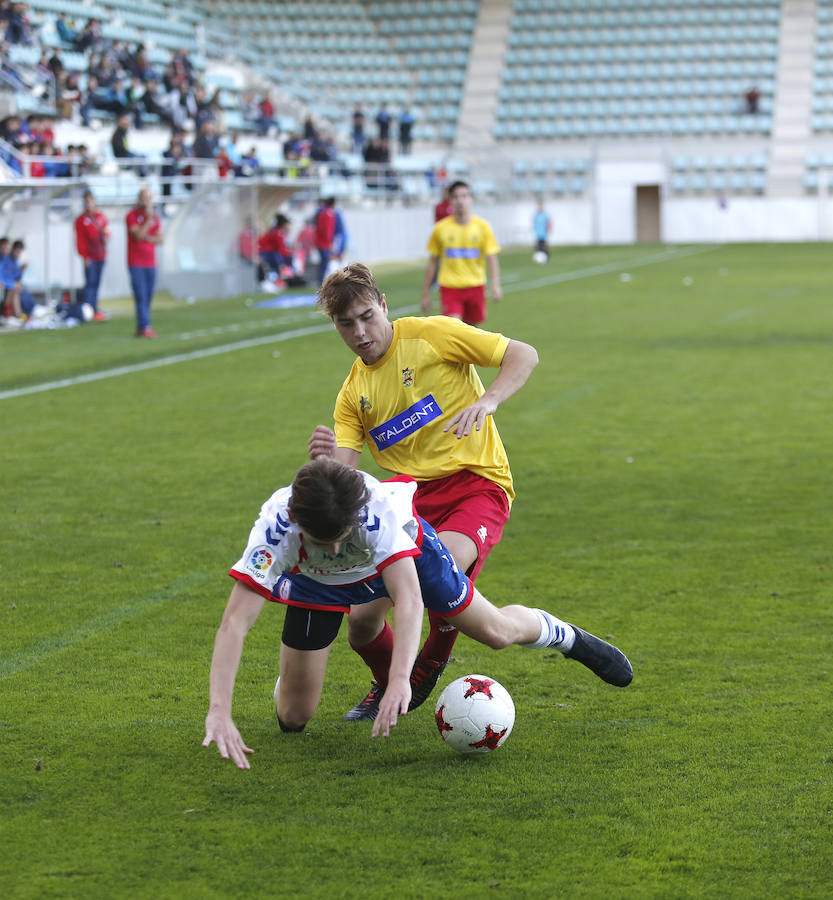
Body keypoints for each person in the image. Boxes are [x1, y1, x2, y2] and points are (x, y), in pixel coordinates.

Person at [202, 458, 633, 769]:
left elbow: (408, 599)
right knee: (293, 719)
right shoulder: (274, 530)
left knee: (496, 632)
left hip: (411, 557)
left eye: (341, 537)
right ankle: (295, 673)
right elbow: (234, 622)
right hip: (314, 584)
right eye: (321, 540)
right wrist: (219, 709)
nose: (333, 550)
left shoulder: (378, 515)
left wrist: (398, 682)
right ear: (296, 520)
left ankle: (562, 634)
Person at [307, 263, 539, 721]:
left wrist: (487, 401)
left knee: (439, 573)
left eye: (367, 316)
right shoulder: (353, 396)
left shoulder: (432, 335)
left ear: (384, 306)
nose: (360, 332)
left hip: (476, 483)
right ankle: (391, 680)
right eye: (346, 323)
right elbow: (347, 479)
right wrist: (324, 465)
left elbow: (524, 354)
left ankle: (428, 663)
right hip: (405, 497)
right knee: (361, 623)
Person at [421, 180, 502, 327]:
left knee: (472, 332)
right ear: (450, 201)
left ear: (471, 199)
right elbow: (433, 261)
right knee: (454, 329)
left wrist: (495, 284)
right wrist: (425, 292)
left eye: (464, 196)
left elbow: (491, 257)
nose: (460, 201)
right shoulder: (440, 229)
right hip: (450, 287)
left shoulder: (483, 227)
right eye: (456, 197)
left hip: (476, 286)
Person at [125, 186, 162, 338]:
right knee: (140, 295)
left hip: (151, 262)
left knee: (148, 296)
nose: (146, 201)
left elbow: (160, 238)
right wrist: (148, 220)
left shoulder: (156, 217)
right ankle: (144, 326)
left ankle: (143, 326)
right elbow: (138, 235)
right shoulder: (132, 216)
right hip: (136, 262)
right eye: (144, 198)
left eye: (148, 198)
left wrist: (148, 238)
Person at [74, 190, 109, 320]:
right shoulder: (81, 220)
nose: (89, 203)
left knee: (97, 283)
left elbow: (106, 232)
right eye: (86, 201)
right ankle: (87, 310)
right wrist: (84, 256)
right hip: (90, 257)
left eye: (91, 200)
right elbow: (80, 240)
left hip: (101, 255)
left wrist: (106, 237)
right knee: (90, 284)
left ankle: (94, 309)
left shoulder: (100, 217)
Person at [314, 196, 336, 286]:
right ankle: (322, 281)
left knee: (324, 261)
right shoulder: (328, 214)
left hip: (320, 241)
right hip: (324, 243)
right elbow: (327, 230)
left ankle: (322, 280)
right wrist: (330, 242)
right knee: (325, 262)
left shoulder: (322, 213)